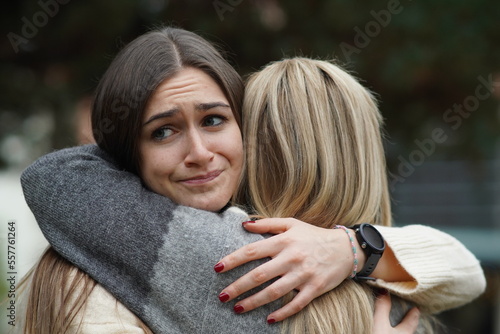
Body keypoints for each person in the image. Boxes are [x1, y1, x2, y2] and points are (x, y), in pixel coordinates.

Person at [17, 27, 485, 333]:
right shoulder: (91, 275)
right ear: (126, 154)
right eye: (163, 132)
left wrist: (351, 249)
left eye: (215, 120)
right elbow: (51, 177)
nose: (200, 154)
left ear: (247, 131)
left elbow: (466, 273)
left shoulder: (321, 260)